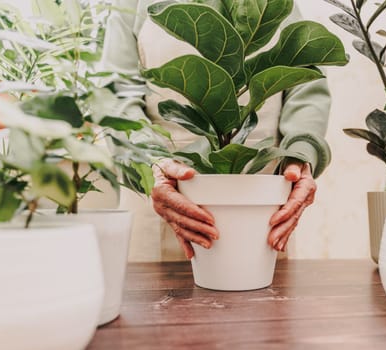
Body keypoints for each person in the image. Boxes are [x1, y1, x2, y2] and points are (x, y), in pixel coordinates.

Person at [101, 0, 333, 260]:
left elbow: (306, 83)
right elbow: (116, 98)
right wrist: (150, 162)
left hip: (262, 207)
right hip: (157, 208)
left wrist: (300, 154)